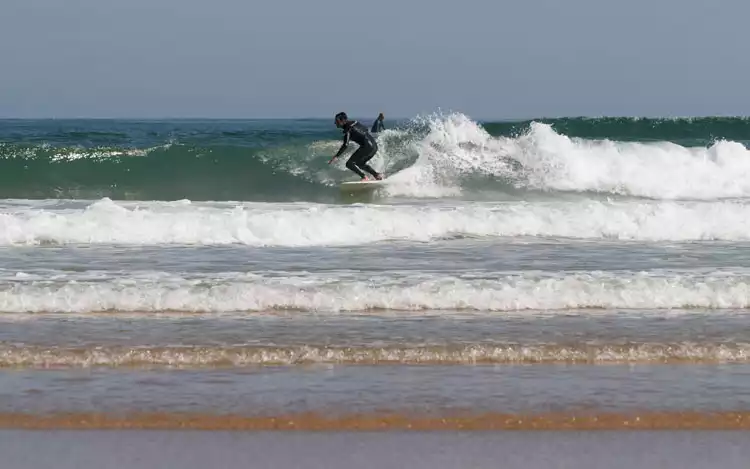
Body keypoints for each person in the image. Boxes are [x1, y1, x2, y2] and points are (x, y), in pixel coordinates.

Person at [329, 112, 384, 180]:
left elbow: (345, 145)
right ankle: (377, 175)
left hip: (367, 147)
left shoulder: (347, 130)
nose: (335, 123)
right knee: (360, 163)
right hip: (374, 146)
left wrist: (336, 156)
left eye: (337, 121)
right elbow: (365, 129)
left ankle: (364, 177)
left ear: (342, 120)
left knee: (349, 163)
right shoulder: (355, 122)